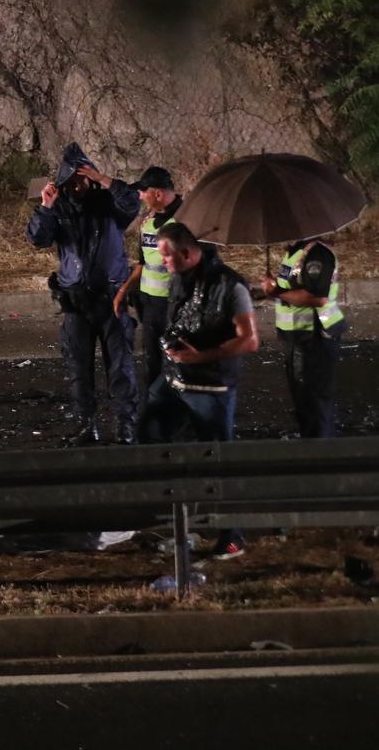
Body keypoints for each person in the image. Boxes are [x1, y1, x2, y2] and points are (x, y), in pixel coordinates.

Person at [139, 222, 259, 558]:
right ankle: (180, 524)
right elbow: (181, 318)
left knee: (216, 460)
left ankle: (233, 535)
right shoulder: (180, 277)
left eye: (166, 257)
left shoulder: (230, 285)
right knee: (150, 436)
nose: (162, 263)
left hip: (210, 387)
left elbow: (249, 340)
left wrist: (202, 355)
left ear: (187, 253)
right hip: (175, 379)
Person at [28, 143, 142, 444]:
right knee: (79, 369)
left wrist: (104, 179)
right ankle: (85, 426)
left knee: (120, 367)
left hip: (112, 298)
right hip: (77, 302)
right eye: (73, 180)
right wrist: (46, 206)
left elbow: (133, 202)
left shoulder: (109, 202)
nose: (78, 184)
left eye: (83, 178)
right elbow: (38, 238)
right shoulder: (61, 206)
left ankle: (125, 427)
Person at [261, 235, 346, 438]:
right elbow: (292, 288)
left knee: (314, 404)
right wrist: (273, 288)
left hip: (314, 338)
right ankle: (313, 451)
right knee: (304, 402)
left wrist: (276, 293)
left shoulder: (317, 254)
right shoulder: (294, 252)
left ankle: (321, 458)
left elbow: (317, 297)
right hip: (297, 338)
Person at [113, 167, 182, 392]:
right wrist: (124, 291)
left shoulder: (186, 221)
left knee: (178, 361)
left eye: (144, 191)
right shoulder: (148, 223)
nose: (140, 196)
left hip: (177, 306)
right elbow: (143, 264)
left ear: (158, 194)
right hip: (151, 304)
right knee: (153, 361)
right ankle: (155, 413)